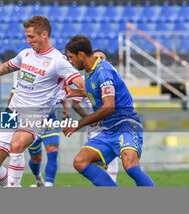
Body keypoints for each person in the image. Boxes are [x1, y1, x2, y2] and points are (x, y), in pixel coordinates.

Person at [0, 16, 86, 187]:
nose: (27, 40)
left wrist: (75, 93)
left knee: (16, 145)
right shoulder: (25, 54)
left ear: (44, 35)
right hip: (12, 114)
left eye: (31, 37)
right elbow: (0, 68)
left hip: (35, 116)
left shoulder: (58, 61)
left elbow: (84, 86)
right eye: (27, 36)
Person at [64, 35, 154, 186]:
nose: (70, 61)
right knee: (80, 161)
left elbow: (109, 106)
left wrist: (79, 123)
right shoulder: (89, 71)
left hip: (126, 124)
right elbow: (95, 91)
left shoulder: (103, 71)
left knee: (131, 167)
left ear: (81, 54)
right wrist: (74, 92)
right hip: (109, 129)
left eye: (71, 57)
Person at [71, 49, 119, 182]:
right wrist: (88, 118)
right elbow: (75, 104)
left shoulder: (110, 79)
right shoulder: (86, 80)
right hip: (94, 129)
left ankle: (111, 185)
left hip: (111, 127)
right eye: (96, 58)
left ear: (107, 61)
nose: (99, 61)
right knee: (87, 162)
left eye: (101, 58)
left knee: (117, 162)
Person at [8, 87, 69, 187]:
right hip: (30, 123)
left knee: (53, 152)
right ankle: (38, 178)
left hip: (49, 122)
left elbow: (64, 92)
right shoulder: (25, 79)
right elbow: (12, 98)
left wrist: (66, 109)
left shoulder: (55, 76)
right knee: (36, 159)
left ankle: (49, 185)